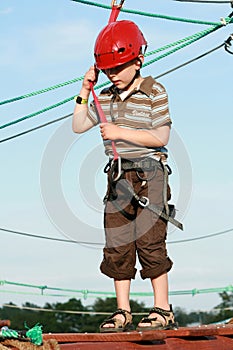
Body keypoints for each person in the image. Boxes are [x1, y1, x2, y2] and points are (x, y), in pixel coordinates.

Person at [72, 20, 178, 332]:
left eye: (118, 68)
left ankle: (162, 308)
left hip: (149, 173)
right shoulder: (103, 96)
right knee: (117, 243)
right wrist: (84, 90)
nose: (112, 75)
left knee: (149, 241)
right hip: (118, 176)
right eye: (107, 70)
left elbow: (162, 137)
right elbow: (79, 124)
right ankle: (122, 311)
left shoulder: (154, 91)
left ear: (138, 60)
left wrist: (120, 132)